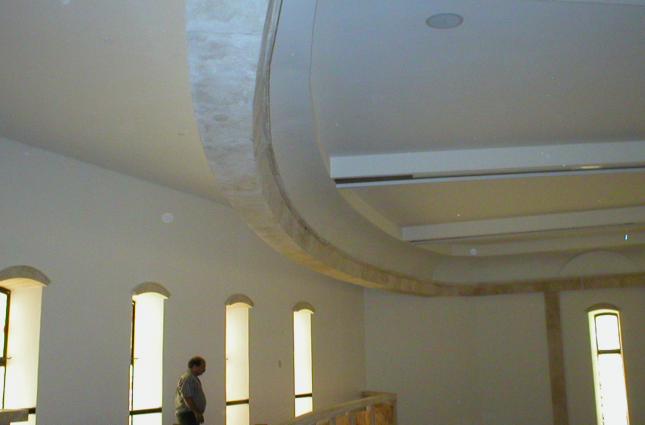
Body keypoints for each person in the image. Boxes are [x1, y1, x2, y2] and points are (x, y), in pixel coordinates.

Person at [175, 356, 207, 425]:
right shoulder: (188, 378)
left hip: (190, 414)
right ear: (194, 366)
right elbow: (187, 397)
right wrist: (197, 412)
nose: (204, 369)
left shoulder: (192, 378)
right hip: (188, 415)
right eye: (202, 367)